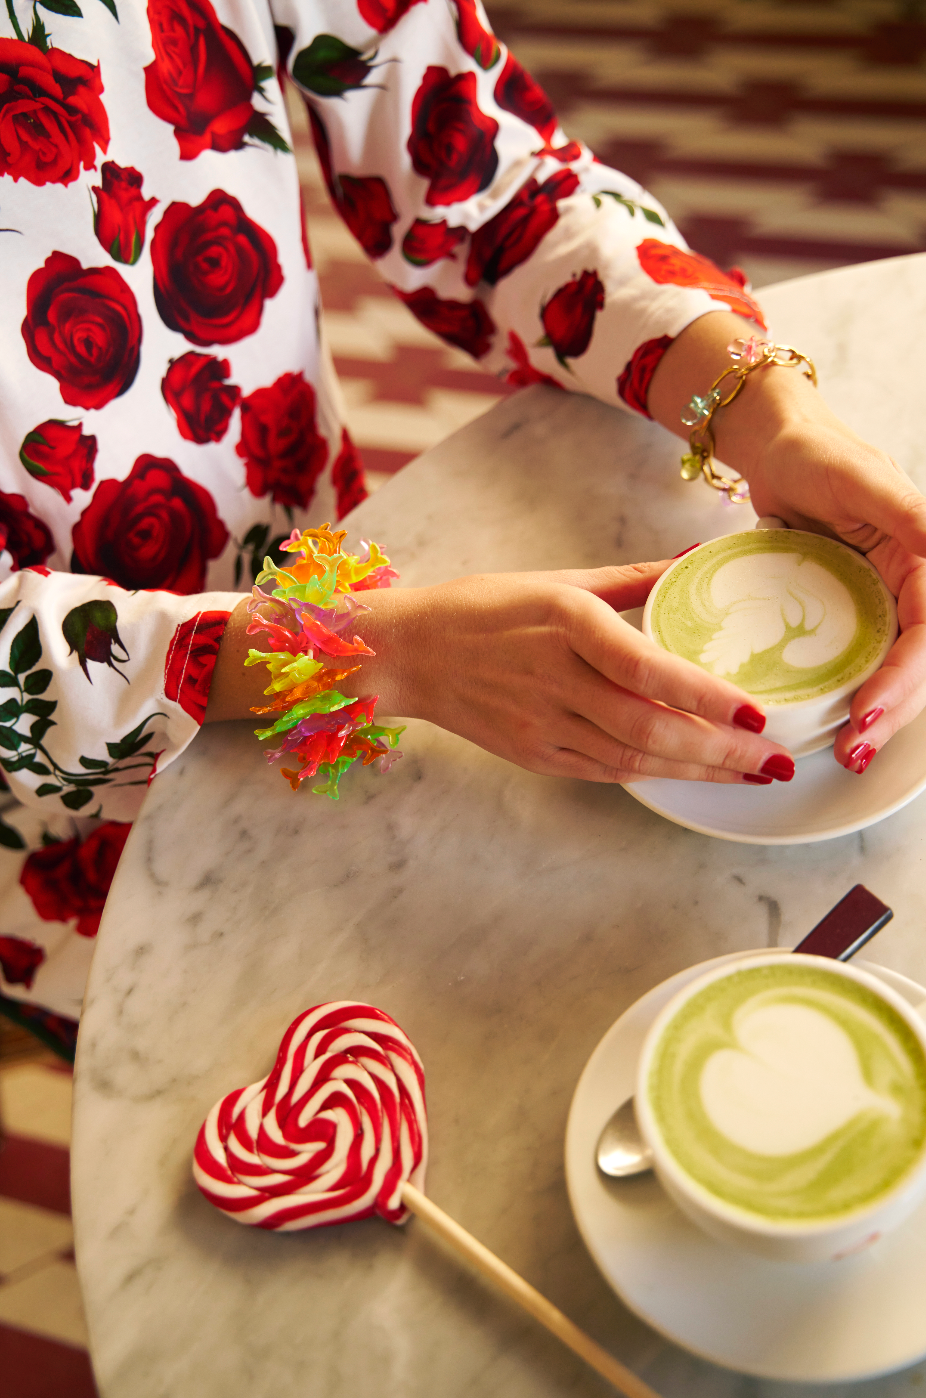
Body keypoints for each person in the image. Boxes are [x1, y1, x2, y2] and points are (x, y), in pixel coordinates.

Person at [0, 0, 924, 1049]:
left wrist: (760, 409)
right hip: (55, 821)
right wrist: (372, 656)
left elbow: (488, 189)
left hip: (320, 549)